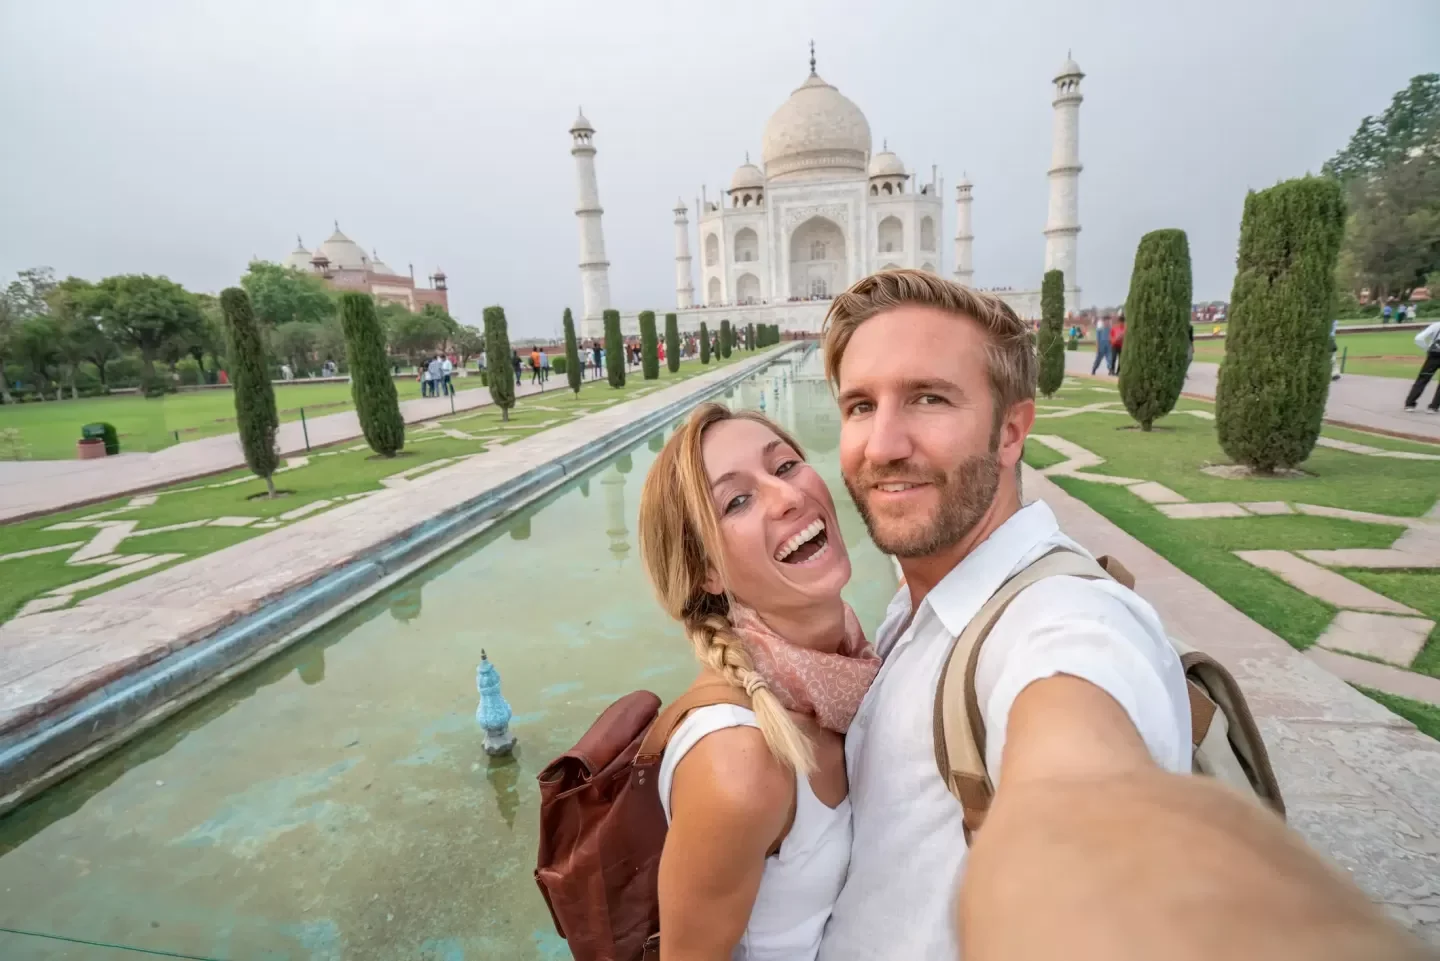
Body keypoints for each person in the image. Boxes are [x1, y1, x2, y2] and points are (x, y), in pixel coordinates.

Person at [816, 270, 1192, 961]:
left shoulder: (1065, 624)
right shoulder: (929, 593)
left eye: (929, 398)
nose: (883, 444)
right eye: (860, 406)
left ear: (1011, 429)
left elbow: (1077, 766)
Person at [639, 403, 876, 961]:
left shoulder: (845, 668)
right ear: (707, 572)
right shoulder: (742, 760)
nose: (788, 496)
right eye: (737, 500)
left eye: (787, 466)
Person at [1403, 319, 1440, 412]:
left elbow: (1419, 338)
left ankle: (1410, 404)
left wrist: (1427, 349)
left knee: (1423, 379)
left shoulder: (1436, 325)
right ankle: (1434, 407)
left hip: (1434, 356)